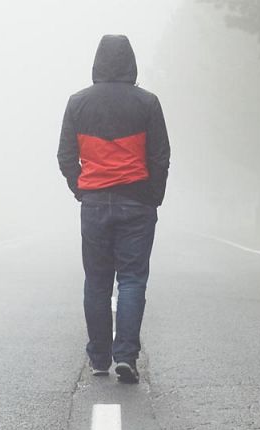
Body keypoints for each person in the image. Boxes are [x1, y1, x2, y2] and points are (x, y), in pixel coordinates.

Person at [56, 34, 170, 384]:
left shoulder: (77, 103)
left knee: (97, 281)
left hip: (94, 204)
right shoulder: (148, 103)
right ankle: (126, 357)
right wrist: (152, 197)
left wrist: (82, 190)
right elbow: (160, 156)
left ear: (97, 62)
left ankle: (99, 358)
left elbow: (65, 157)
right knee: (133, 279)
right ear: (131, 63)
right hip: (136, 203)